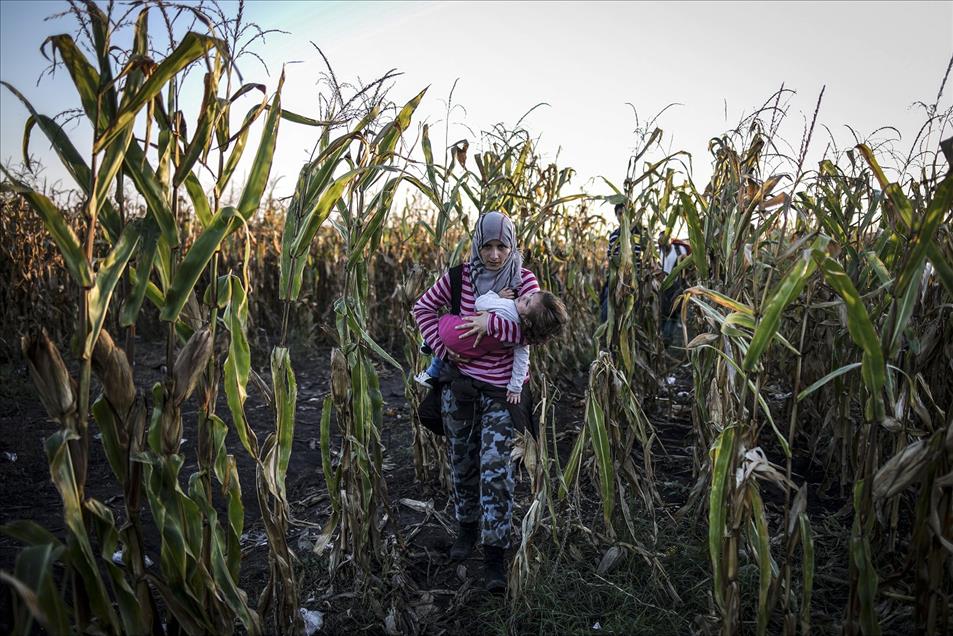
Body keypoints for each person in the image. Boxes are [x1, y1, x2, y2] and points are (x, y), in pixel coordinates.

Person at [412, 211, 566, 593]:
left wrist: (486, 326)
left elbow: (534, 330)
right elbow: (421, 310)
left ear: (513, 245)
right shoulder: (456, 278)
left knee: (497, 471)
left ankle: (495, 554)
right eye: (488, 246)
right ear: (476, 244)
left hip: (502, 393)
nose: (495, 255)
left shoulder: (524, 279)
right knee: (462, 463)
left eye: (502, 246)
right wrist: (444, 348)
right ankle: (466, 532)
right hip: (460, 388)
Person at [415, 286, 567, 404]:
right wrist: (515, 388)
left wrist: (497, 296)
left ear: (527, 320)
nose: (525, 295)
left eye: (527, 302)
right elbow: (521, 363)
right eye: (531, 294)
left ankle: (429, 343)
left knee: (445, 318)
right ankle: (432, 369)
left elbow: (480, 303)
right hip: (467, 352)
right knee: (479, 346)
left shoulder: (506, 306)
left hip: (453, 331)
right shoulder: (522, 337)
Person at [599, 202, 643, 323]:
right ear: (616, 216)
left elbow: (645, 257)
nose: (622, 216)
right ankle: (608, 338)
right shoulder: (613, 235)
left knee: (634, 316)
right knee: (606, 313)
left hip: (636, 281)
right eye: (619, 214)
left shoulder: (640, 234)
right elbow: (610, 257)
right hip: (617, 280)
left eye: (625, 213)